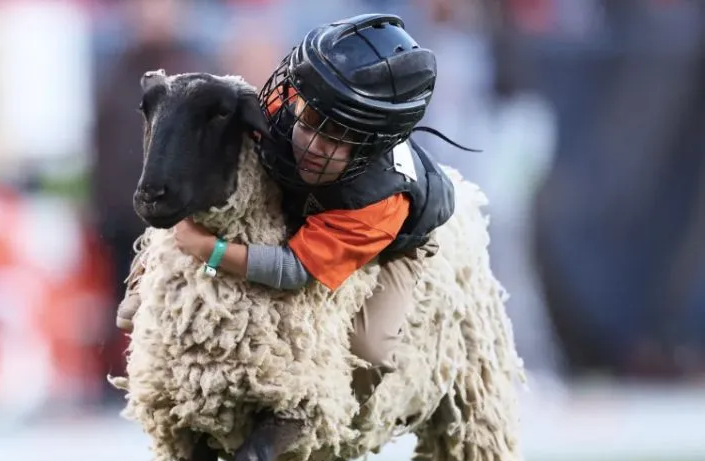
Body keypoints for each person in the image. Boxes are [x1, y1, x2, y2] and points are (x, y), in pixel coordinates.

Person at [117, 13, 469, 395]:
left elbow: (296, 268)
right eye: (312, 117)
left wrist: (210, 250)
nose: (314, 144)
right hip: (308, 199)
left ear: (371, 146)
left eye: (339, 135)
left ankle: (345, 411)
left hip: (389, 241)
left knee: (369, 351)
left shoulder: (378, 202)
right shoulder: (280, 107)